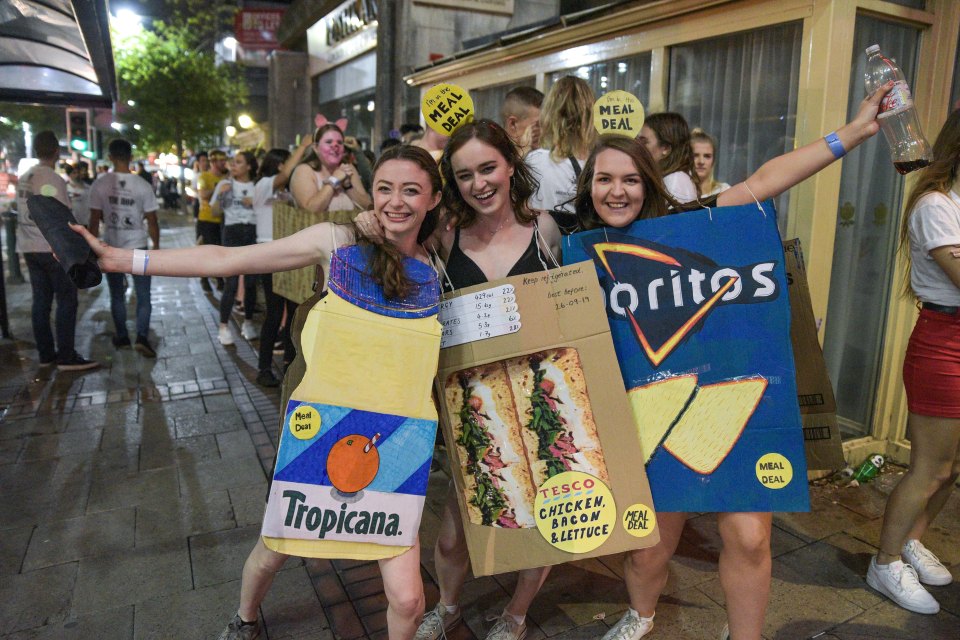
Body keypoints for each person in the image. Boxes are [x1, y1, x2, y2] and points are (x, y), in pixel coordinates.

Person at [71, 144, 445, 640]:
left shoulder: (440, 260)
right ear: (370, 191)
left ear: (435, 199)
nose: (396, 202)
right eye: (385, 188)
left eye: (411, 191)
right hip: (324, 434)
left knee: (409, 598)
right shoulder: (337, 240)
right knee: (276, 549)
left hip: (398, 443)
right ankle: (245, 617)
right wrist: (123, 259)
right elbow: (227, 258)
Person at [572, 82, 893, 640]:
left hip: (731, 406)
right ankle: (641, 616)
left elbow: (767, 180)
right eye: (605, 179)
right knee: (649, 547)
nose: (618, 191)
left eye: (629, 178)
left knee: (749, 538)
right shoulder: (576, 248)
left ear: (648, 182)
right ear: (589, 186)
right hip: (645, 420)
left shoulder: (701, 222)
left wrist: (855, 133)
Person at [405, 120, 563, 640]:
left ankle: (516, 613)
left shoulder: (545, 229)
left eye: (488, 168)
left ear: (511, 166)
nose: (480, 184)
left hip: (542, 400)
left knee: (542, 524)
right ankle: (448, 605)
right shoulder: (445, 236)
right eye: (465, 174)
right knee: (453, 533)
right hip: (470, 411)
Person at [866, 108, 960, 615]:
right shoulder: (935, 204)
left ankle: (909, 542)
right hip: (945, 342)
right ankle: (883, 563)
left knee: (954, 468)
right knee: (931, 466)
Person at [15, 130, 99, 371]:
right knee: (67, 300)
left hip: (29, 248)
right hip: (51, 249)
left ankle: (45, 353)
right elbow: (65, 218)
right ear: (56, 151)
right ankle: (66, 355)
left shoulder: (25, 177)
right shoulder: (51, 179)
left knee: (40, 301)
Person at [89, 138, 161, 357]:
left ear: (110, 157)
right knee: (143, 294)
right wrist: (156, 246)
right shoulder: (142, 185)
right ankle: (141, 337)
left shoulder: (100, 184)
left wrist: (93, 247)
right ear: (130, 157)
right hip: (138, 246)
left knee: (117, 295)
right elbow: (152, 220)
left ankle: (121, 337)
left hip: (111, 248)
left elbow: (94, 220)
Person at [250, 137, 313, 387]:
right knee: (274, 314)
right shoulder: (265, 184)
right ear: (278, 165)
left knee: (294, 312)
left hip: (288, 253)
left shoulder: (284, 192)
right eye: (285, 163)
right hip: (268, 254)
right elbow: (285, 174)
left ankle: (289, 365)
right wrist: (302, 146)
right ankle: (264, 367)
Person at [525, 76, 596, 233]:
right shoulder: (599, 164)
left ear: (549, 113)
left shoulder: (534, 161)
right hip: (583, 252)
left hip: (541, 249)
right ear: (590, 116)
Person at [211, 151, 262, 345]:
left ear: (249, 166)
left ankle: (248, 322)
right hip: (232, 232)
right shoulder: (225, 184)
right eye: (233, 162)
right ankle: (223, 327)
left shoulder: (256, 186)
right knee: (231, 283)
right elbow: (215, 211)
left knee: (250, 283)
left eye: (238, 162)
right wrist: (222, 196)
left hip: (252, 232)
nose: (233, 165)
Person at [290, 124, 372, 216]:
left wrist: (348, 186)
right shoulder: (304, 170)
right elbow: (309, 211)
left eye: (340, 142)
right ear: (316, 148)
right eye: (329, 142)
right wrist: (334, 180)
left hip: (350, 229)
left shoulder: (348, 167)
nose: (335, 145)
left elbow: (368, 207)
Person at [638, 112, 699, 204]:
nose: (638, 146)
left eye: (644, 142)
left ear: (665, 148)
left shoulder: (675, 182)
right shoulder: (668, 180)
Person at [197, 150, 228, 292]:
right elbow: (203, 194)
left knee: (220, 250)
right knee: (206, 251)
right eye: (221, 161)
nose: (224, 163)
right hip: (206, 220)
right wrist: (218, 188)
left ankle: (220, 279)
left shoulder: (226, 176)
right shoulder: (204, 176)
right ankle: (204, 278)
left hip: (222, 220)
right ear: (213, 162)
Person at [501, 86, 543, 158]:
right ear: (513, 124)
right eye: (537, 125)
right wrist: (524, 154)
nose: (543, 132)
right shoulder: (492, 156)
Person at [691, 128, 731, 196]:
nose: (701, 161)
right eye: (695, 156)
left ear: (713, 161)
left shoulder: (723, 191)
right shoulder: (676, 193)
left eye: (707, 156)